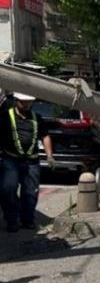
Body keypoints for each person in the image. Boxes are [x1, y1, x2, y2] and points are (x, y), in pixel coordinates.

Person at [0, 93, 54, 232]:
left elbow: (45, 136)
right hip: (10, 159)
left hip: (31, 161)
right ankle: (12, 220)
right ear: (16, 101)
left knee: (30, 192)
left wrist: (49, 156)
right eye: (23, 102)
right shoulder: (5, 116)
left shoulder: (37, 118)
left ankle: (28, 220)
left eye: (29, 102)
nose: (26, 105)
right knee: (8, 189)